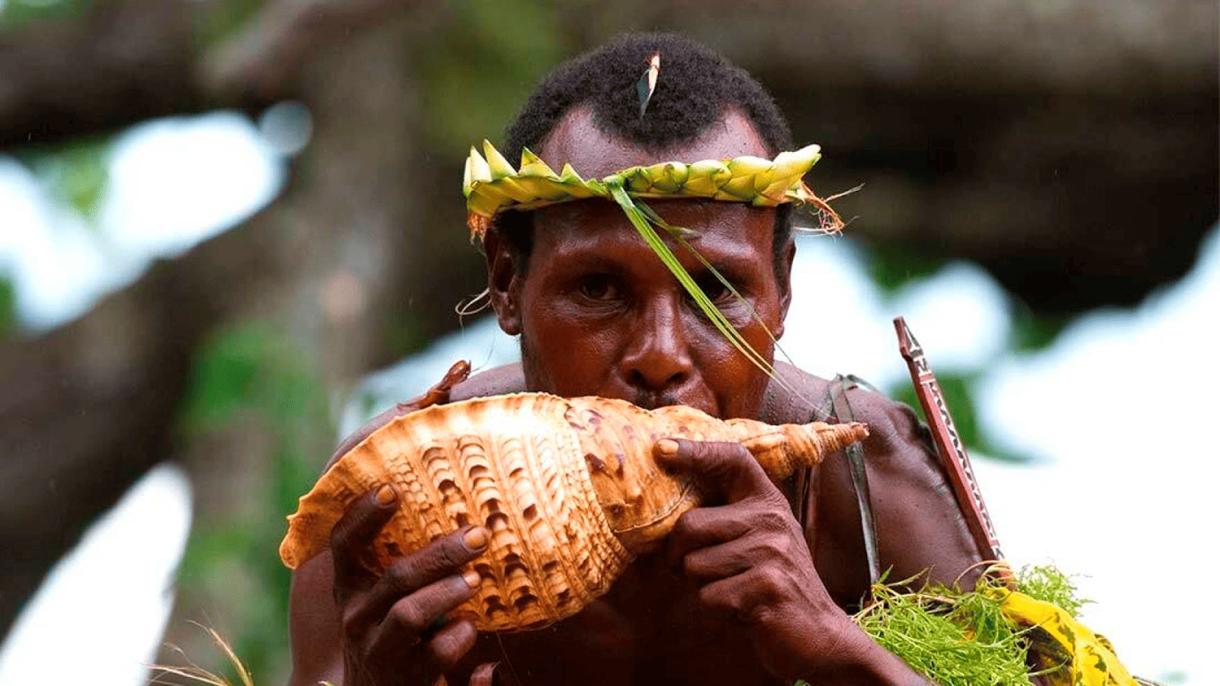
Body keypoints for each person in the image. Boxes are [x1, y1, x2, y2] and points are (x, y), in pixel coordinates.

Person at [287, 33, 984, 686]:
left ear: (782, 293)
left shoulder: (863, 481)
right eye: (597, 289)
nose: (660, 357)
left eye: (715, 292)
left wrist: (839, 648)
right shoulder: (386, 504)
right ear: (506, 283)